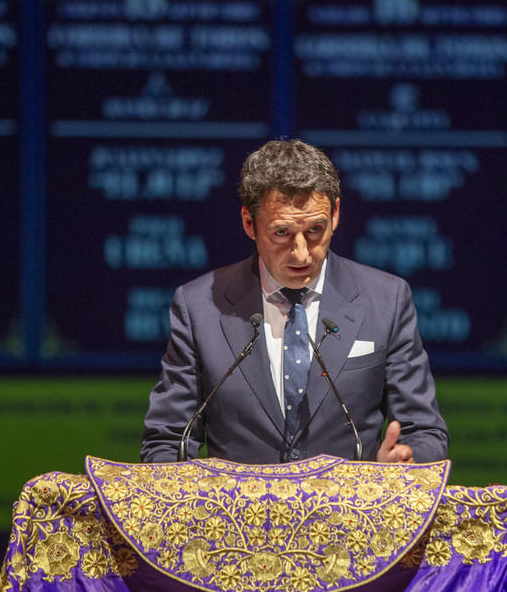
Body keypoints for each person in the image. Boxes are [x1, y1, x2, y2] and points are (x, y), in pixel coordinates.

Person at [141, 139, 448, 465]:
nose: (301, 253)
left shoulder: (386, 300)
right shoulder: (199, 306)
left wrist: (406, 464)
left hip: (348, 512)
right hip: (239, 514)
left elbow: (424, 431)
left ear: (336, 214)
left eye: (315, 229)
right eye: (282, 233)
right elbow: (167, 440)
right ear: (249, 223)